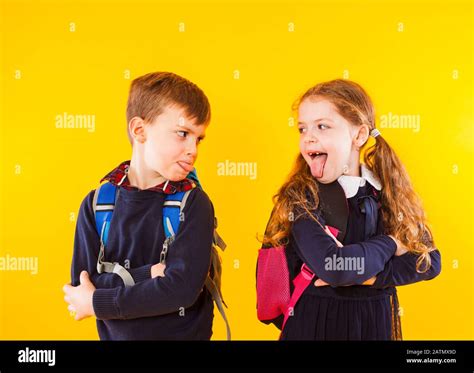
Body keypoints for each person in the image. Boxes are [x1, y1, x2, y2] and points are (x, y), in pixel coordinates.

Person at [257, 79, 441, 340]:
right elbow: (336, 266)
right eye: (302, 128)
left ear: (359, 136)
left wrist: (370, 278)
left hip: (373, 326)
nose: (308, 136)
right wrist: (390, 243)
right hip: (315, 326)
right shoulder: (302, 198)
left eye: (322, 126)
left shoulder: (385, 192)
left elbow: (430, 261)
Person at [63, 72, 221, 340]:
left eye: (198, 139)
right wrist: (148, 274)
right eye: (183, 134)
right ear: (139, 130)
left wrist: (99, 301)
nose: (193, 149)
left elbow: (181, 289)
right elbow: (83, 286)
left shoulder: (193, 203)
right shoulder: (97, 204)